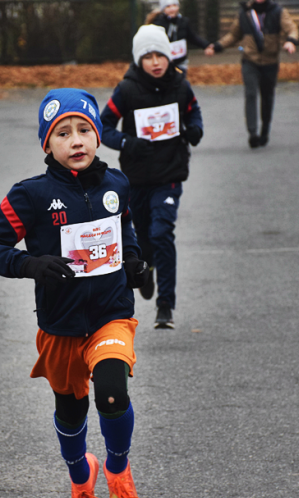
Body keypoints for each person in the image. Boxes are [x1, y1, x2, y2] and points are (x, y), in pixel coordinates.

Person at [0, 88, 149, 498]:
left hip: (111, 314)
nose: (77, 141)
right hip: (61, 324)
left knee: (110, 393)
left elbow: (127, 233)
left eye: (85, 130)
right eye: (64, 133)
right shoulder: (29, 196)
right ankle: (79, 480)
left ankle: (118, 474)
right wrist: (29, 264)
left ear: (98, 136)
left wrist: (134, 261)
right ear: (47, 144)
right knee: (70, 413)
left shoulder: (117, 184)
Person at [100, 24, 204, 330]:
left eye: (161, 54)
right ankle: (146, 270)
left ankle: (165, 305)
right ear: (138, 60)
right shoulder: (127, 89)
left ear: (170, 56)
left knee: (161, 232)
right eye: (149, 56)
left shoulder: (180, 86)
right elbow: (104, 126)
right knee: (143, 239)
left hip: (169, 174)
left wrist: (195, 130)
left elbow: (194, 113)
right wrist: (126, 142)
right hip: (136, 177)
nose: (156, 62)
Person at [213, 0, 299, 148]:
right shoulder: (244, 13)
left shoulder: (277, 11)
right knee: (250, 93)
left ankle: (265, 129)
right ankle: (252, 133)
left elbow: (292, 28)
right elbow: (234, 35)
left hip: (270, 62)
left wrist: (291, 41)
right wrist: (217, 46)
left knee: (267, 96)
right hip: (250, 61)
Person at [145, 0, 220, 72]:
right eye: (168, 7)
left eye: (174, 6)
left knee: (180, 81)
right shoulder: (158, 23)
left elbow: (192, 37)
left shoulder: (183, 22)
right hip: (165, 61)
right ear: (163, 9)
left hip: (181, 61)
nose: (172, 9)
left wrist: (206, 46)